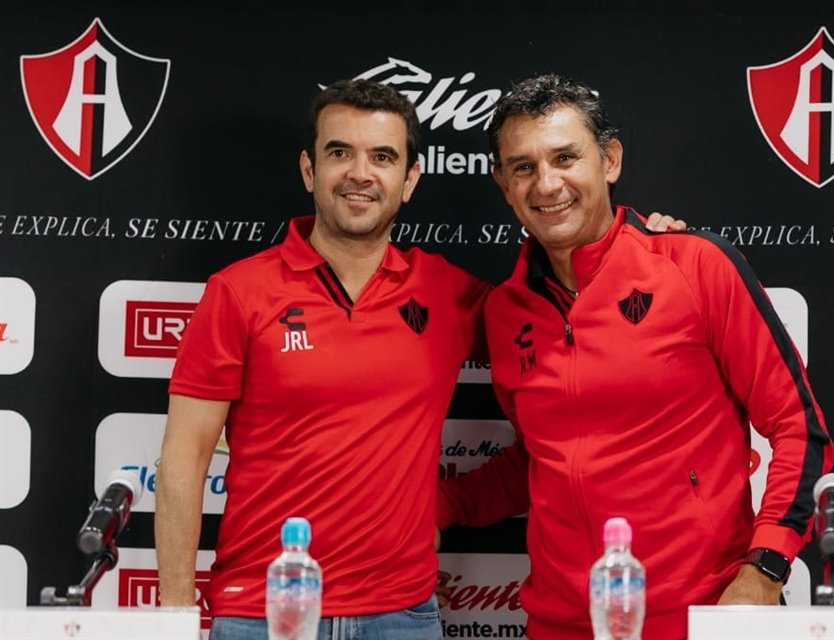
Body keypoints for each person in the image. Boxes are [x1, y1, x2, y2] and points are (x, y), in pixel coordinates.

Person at [155, 78, 682, 640]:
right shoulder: (237, 292)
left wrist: (643, 252)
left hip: (403, 616)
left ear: (409, 181)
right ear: (310, 171)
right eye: (340, 153)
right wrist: (175, 615)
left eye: (382, 157)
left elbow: (563, 319)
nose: (361, 173)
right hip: (262, 611)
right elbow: (183, 460)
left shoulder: (445, 292)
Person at [436, 74, 834, 640]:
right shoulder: (505, 312)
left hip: (699, 614)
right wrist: (438, 505)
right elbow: (541, 461)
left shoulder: (696, 267)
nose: (547, 184)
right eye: (523, 167)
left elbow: (801, 428)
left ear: (610, 161)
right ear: (503, 184)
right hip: (559, 623)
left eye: (565, 158)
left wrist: (766, 568)